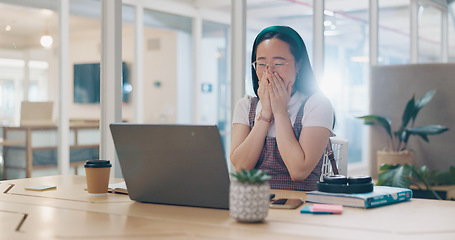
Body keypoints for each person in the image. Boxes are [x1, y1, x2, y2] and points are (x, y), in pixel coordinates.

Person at [230, 26, 334, 191]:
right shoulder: (246, 105)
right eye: (262, 64)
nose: (269, 72)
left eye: (278, 63)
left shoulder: (317, 104)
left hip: (300, 206)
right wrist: (265, 112)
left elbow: (298, 171)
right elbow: (241, 168)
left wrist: (279, 112)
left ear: (298, 66)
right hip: (253, 205)